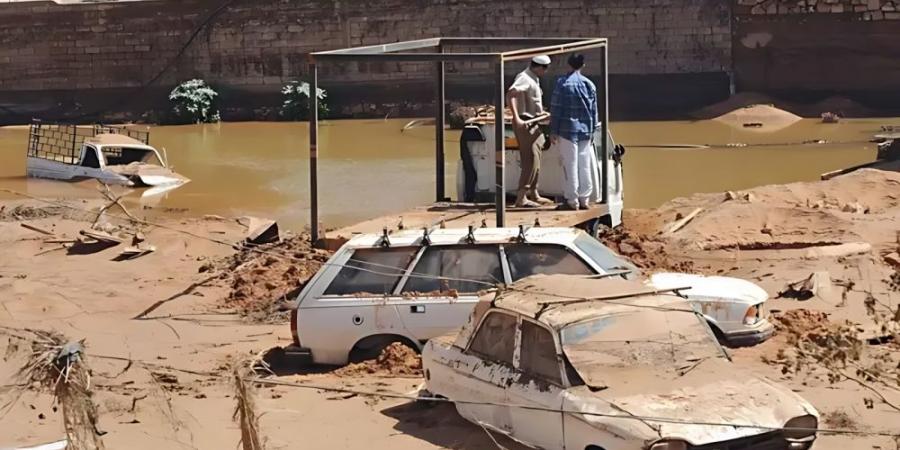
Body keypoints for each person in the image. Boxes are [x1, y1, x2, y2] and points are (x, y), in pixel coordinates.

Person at [549, 53, 597, 211]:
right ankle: (585, 199)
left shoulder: (562, 84)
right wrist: (592, 131)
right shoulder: (589, 84)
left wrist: (553, 130)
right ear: (583, 65)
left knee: (570, 165)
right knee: (584, 165)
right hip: (585, 130)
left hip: (567, 130)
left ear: (568, 65)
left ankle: (572, 200)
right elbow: (594, 111)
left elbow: (556, 109)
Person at [507, 55, 554, 208]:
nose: (546, 72)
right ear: (540, 67)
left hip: (534, 123)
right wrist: (516, 118)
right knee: (530, 160)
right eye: (545, 68)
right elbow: (511, 94)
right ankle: (521, 198)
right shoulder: (525, 78)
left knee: (538, 157)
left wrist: (543, 115)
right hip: (525, 123)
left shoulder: (534, 78)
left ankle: (534, 193)